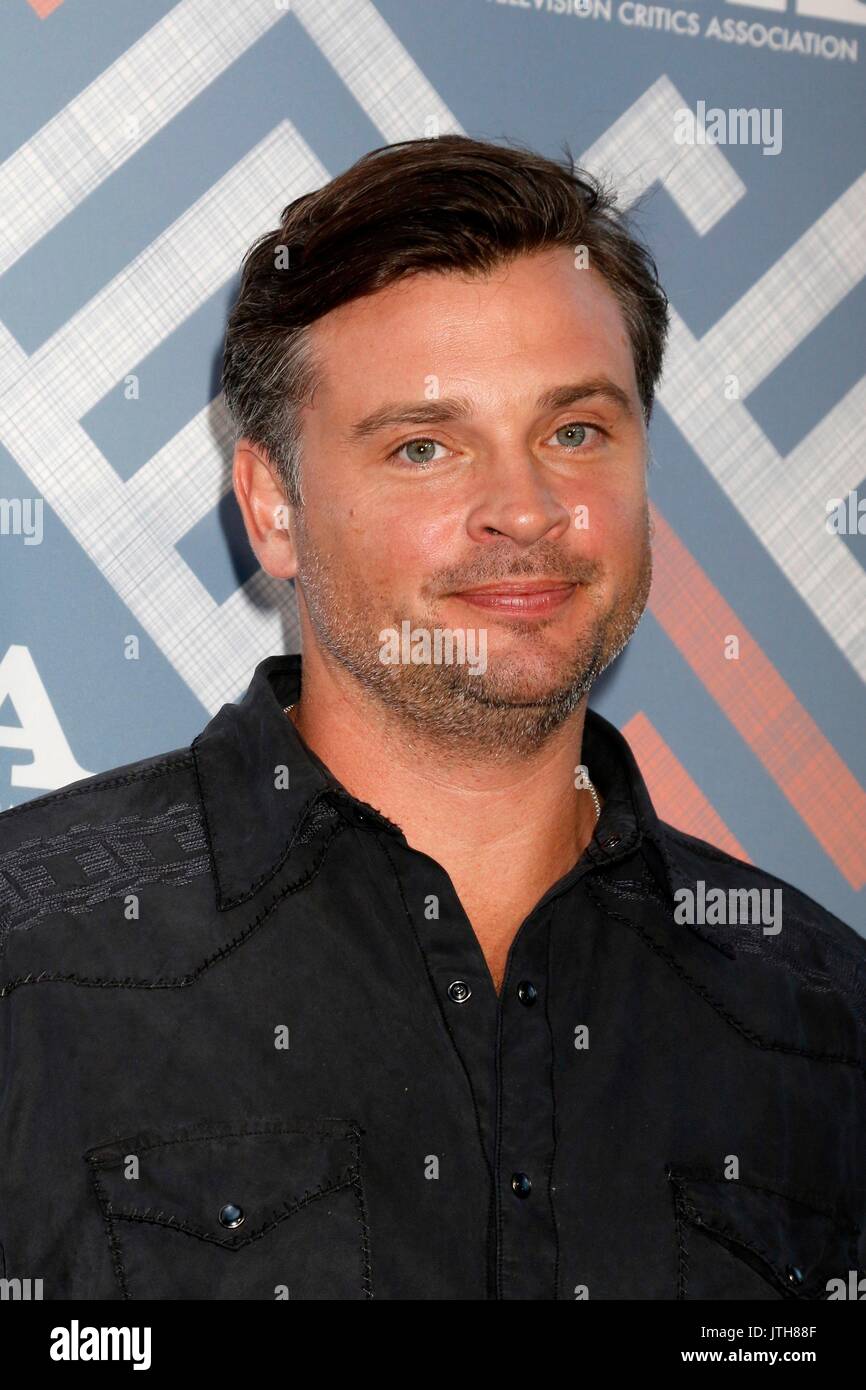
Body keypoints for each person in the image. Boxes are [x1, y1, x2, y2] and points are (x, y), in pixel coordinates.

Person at [1, 135, 863, 1302]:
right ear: (271, 508)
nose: (523, 510)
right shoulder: (31, 964)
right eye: (423, 446)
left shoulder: (818, 1015)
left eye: (574, 431)